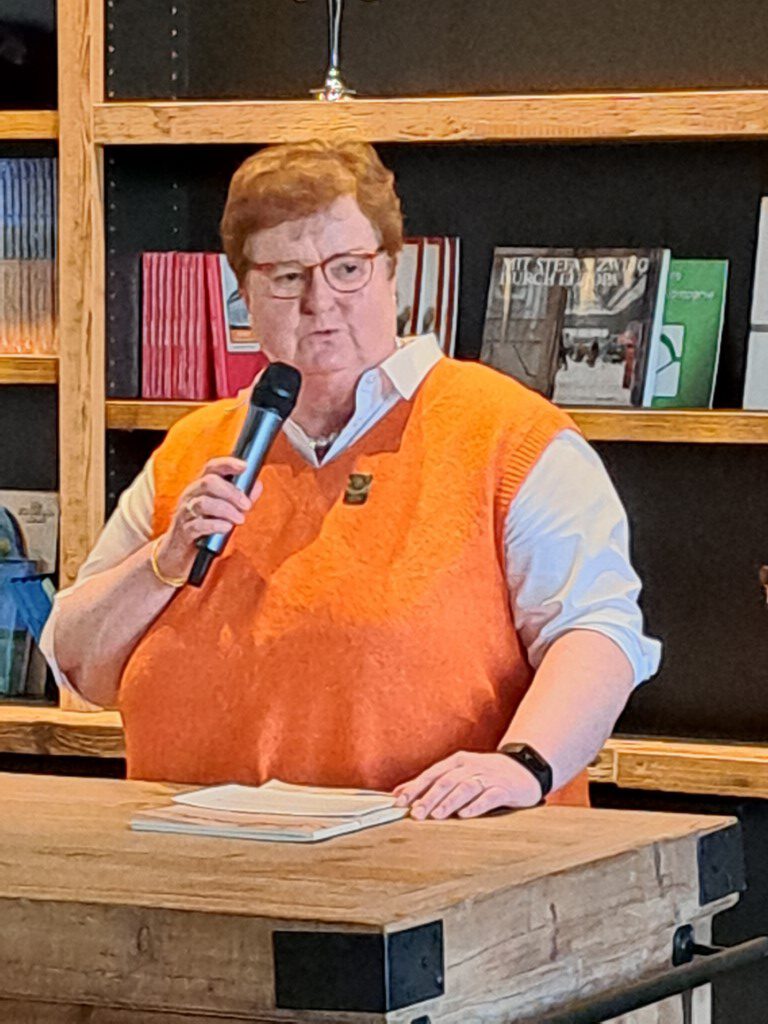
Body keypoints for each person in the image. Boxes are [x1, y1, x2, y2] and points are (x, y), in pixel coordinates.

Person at [42, 140, 660, 820]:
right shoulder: (193, 448)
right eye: (287, 277)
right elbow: (80, 666)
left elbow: (596, 632)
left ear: (393, 270)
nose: (320, 302)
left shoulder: (508, 434)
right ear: (243, 293)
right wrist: (163, 561)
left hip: (440, 849)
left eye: (346, 269)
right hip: (197, 857)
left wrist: (524, 765)